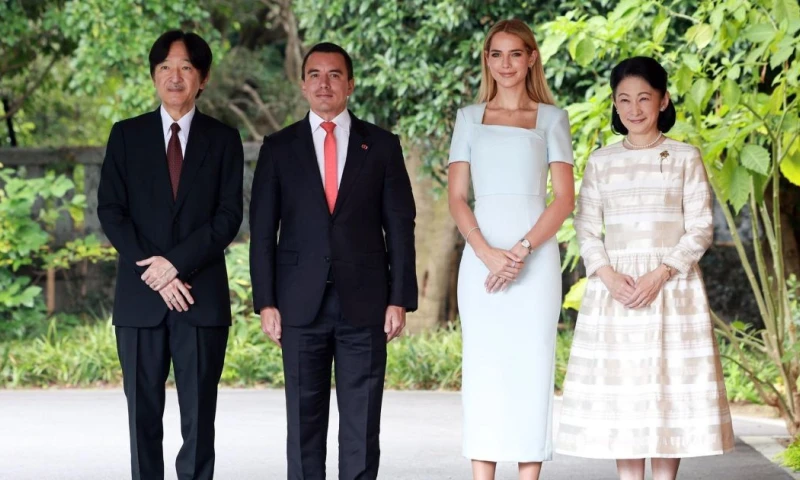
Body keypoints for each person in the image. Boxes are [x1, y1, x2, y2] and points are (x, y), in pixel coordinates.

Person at [556, 56, 735, 480]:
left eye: (643, 98)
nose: (634, 109)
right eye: (624, 100)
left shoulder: (686, 156)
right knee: (628, 393)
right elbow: (586, 226)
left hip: (672, 289)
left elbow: (700, 229)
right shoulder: (601, 161)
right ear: (615, 106)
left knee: (666, 389)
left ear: (663, 100)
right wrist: (607, 274)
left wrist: (661, 272)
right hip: (616, 291)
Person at [249, 42, 418, 480]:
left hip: (365, 303)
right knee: (303, 425)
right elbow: (263, 232)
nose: (324, 83)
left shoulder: (380, 146)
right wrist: (266, 301)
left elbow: (400, 226)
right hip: (298, 304)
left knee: (361, 425)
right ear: (303, 84)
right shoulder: (278, 147)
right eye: (315, 75)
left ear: (350, 84)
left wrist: (399, 297)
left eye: (335, 74)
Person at [97, 30, 243, 480]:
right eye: (165, 68)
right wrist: (157, 272)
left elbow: (228, 216)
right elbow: (111, 211)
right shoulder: (126, 136)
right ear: (153, 76)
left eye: (185, 68)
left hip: (200, 299)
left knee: (199, 418)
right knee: (142, 415)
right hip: (140, 302)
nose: (174, 77)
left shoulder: (224, 139)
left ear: (203, 78)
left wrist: (176, 265)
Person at [447, 19, 575, 480]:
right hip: (480, 261)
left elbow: (564, 199)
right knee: (483, 367)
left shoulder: (552, 118)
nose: (505, 64)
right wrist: (485, 251)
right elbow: (457, 197)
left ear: (531, 58)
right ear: (487, 60)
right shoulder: (468, 119)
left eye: (515, 54)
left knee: (533, 365)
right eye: (496, 54)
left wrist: (518, 252)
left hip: (535, 263)